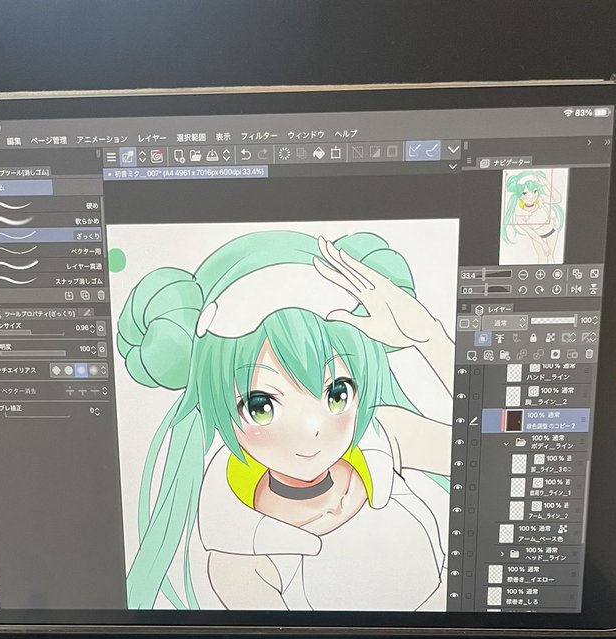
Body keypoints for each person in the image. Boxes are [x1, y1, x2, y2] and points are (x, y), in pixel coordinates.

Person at [115, 229, 455, 611]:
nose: (311, 429)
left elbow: (495, 458)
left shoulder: (383, 436)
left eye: (337, 394)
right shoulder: (238, 555)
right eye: (261, 406)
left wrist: (430, 338)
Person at [501, 170, 565, 264]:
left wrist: (546, 183)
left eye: (534, 191)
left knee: (551, 258)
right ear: (519, 194)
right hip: (538, 238)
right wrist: (543, 244)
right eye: (524, 193)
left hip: (552, 232)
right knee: (542, 259)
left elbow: (557, 199)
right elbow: (530, 232)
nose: (531, 196)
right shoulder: (519, 214)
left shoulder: (540, 199)